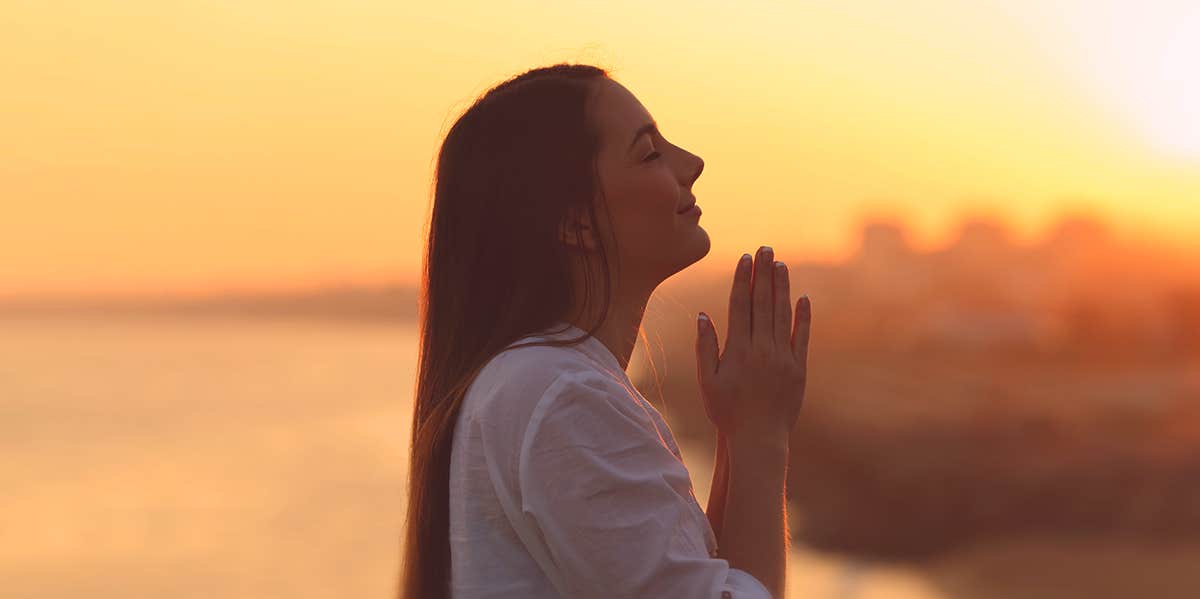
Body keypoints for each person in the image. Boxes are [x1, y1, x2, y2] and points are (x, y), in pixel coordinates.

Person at [399, 63, 812, 599]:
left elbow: (706, 582)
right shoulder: (563, 393)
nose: (692, 164)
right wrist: (763, 435)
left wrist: (738, 437)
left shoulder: (538, 382)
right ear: (576, 223)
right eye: (649, 153)